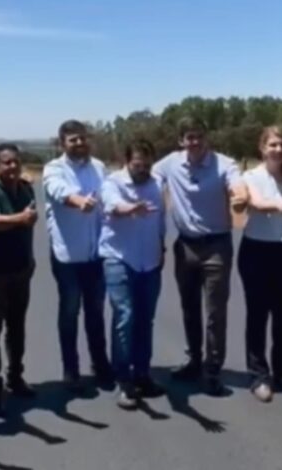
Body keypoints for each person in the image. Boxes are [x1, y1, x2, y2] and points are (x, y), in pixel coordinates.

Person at [152, 116, 248, 396]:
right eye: (189, 137)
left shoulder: (225, 164)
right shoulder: (170, 164)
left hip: (216, 246)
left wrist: (239, 197)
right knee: (189, 307)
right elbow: (145, 176)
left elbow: (236, 185)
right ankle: (194, 360)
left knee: (215, 311)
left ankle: (213, 369)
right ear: (181, 141)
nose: (194, 142)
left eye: (199, 136)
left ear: (207, 138)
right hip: (186, 246)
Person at [43, 119, 114, 392]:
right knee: (70, 312)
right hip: (67, 256)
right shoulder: (54, 169)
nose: (80, 143)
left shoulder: (99, 167)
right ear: (62, 143)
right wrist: (78, 201)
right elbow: (59, 191)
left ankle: (100, 364)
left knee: (96, 312)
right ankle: (70, 369)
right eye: (73, 139)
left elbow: (109, 195)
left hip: (96, 254)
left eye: (83, 138)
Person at [237, 126, 282, 403]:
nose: (278, 150)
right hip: (256, 250)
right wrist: (279, 205)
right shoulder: (250, 177)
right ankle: (258, 375)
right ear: (262, 148)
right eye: (273, 145)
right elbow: (254, 202)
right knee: (257, 314)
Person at [99, 139, 166, 410]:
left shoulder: (156, 184)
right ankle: (123, 379)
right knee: (125, 316)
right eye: (138, 164)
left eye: (147, 165)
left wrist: (161, 248)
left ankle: (142, 374)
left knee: (145, 319)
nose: (143, 169)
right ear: (126, 162)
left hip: (150, 261)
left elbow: (160, 220)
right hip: (119, 258)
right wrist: (132, 209)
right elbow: (113, 206)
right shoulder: (112, 182)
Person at [0, 143, 39, 416]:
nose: (12, 166)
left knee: (17, 327)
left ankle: (16, 376)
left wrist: (30, 258)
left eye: (16, 161)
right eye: (6, 162)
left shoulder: (26, 189)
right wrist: (21, 218)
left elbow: (30, 224)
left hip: (21, 270)